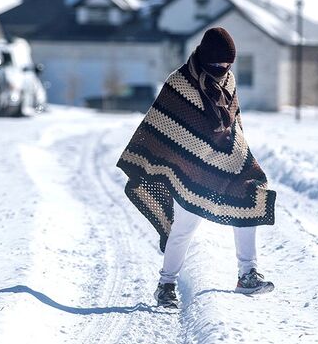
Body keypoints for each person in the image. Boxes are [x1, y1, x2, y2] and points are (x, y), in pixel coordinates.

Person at [116, 27, 276, 308]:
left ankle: (247, 274)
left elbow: (234, 123)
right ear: (205, 58)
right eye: (217, 64)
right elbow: (163, 124)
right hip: (188, 167)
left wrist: (237, 153)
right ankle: (166, 285)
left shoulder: (229, 80)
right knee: (184, 228)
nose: (222, 69)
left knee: (250, 199)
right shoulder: (180, 82)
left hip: (227, 161)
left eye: (228, 65)